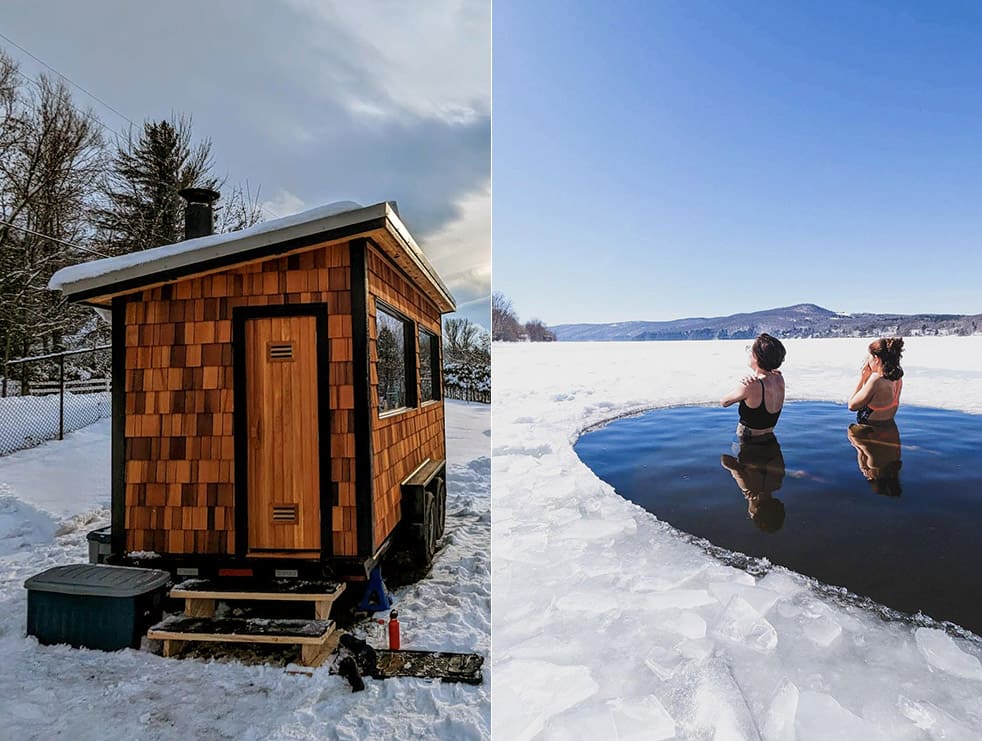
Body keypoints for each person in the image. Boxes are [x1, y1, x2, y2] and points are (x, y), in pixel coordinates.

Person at [721, 333, 787, 441]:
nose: (748, 354)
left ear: (757, 357)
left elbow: (724, 402)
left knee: (724, 458)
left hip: (747, 441)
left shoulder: (750, 385)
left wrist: (742, 386)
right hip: (769, 438)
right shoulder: (779, 378)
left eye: (750, 351)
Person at [720, 435, 787, 532]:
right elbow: (725, 460)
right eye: (751, 515)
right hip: (748, 433)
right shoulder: (748, 486)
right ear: (755, 511)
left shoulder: (777, 483)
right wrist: (751, 500)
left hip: (768, 432)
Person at [848, 337, 904, 425]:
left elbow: (852, 406)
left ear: (876, 358)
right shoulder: (897, 378)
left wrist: (863, 378)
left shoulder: (876, 380)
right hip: (889, 428)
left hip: (869, 432)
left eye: (869, 356)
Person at [847, 421, 903, 497]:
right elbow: (861, 449)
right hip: (867, 431)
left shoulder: (895, 463)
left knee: (858, 443)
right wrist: (863, 469)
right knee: (854, 438)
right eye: (870, 479)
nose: (868, 477)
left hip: (882, 428)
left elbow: (862, 452)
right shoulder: (876, 465)